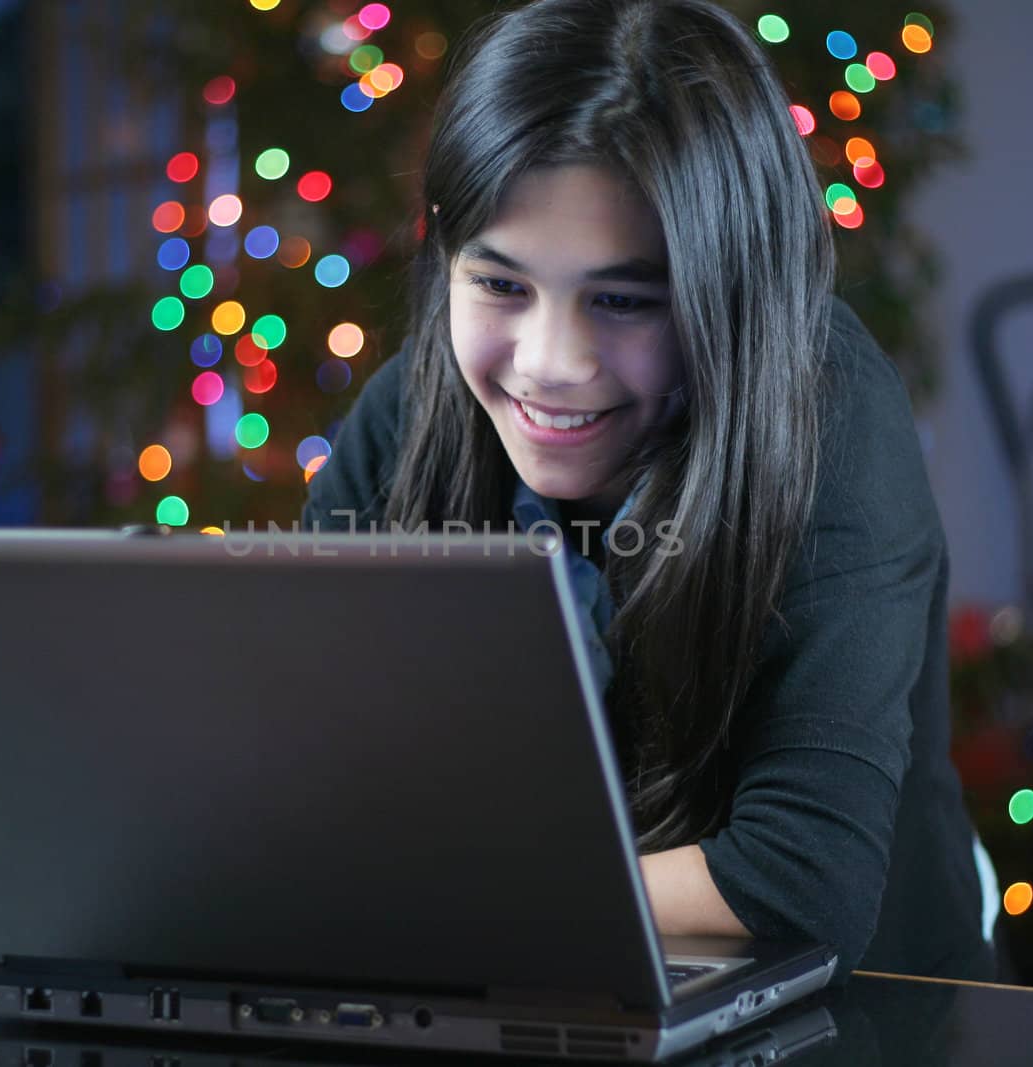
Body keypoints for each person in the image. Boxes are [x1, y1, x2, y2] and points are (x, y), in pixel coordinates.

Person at [301, 0, 997, 982]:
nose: (548, 364)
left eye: (622, 300)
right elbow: (299, 765)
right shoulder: (411, 408)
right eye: (499, 285)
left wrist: (446, 899)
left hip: (869, 1017)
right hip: (544, 991)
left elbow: (803, 882)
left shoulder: (828, 413)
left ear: (727, 285)